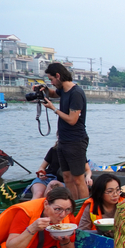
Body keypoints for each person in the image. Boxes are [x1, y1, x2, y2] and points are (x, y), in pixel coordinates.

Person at [38, 63, 89, 200]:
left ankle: (83, 209)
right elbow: (54, 93)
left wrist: (53, 109)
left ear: (58, 76)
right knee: (67, 177)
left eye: (52, 79)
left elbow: (72, 120)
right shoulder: (64, 91)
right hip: (63, 140)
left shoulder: (76, 93)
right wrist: (45, 90)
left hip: (76, 141)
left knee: (78, 179)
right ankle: (73, 206)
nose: (52, 83)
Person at [26, 142, 93, 199]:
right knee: (38, 193)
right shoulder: (53, 150)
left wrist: (88, 177)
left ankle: (46, 209)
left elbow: (87, 170)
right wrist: (41, 173)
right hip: (47, 178)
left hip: (63, 181)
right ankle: (30, 212)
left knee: (52, 185)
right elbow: (42, 167)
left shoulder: (78, 153)